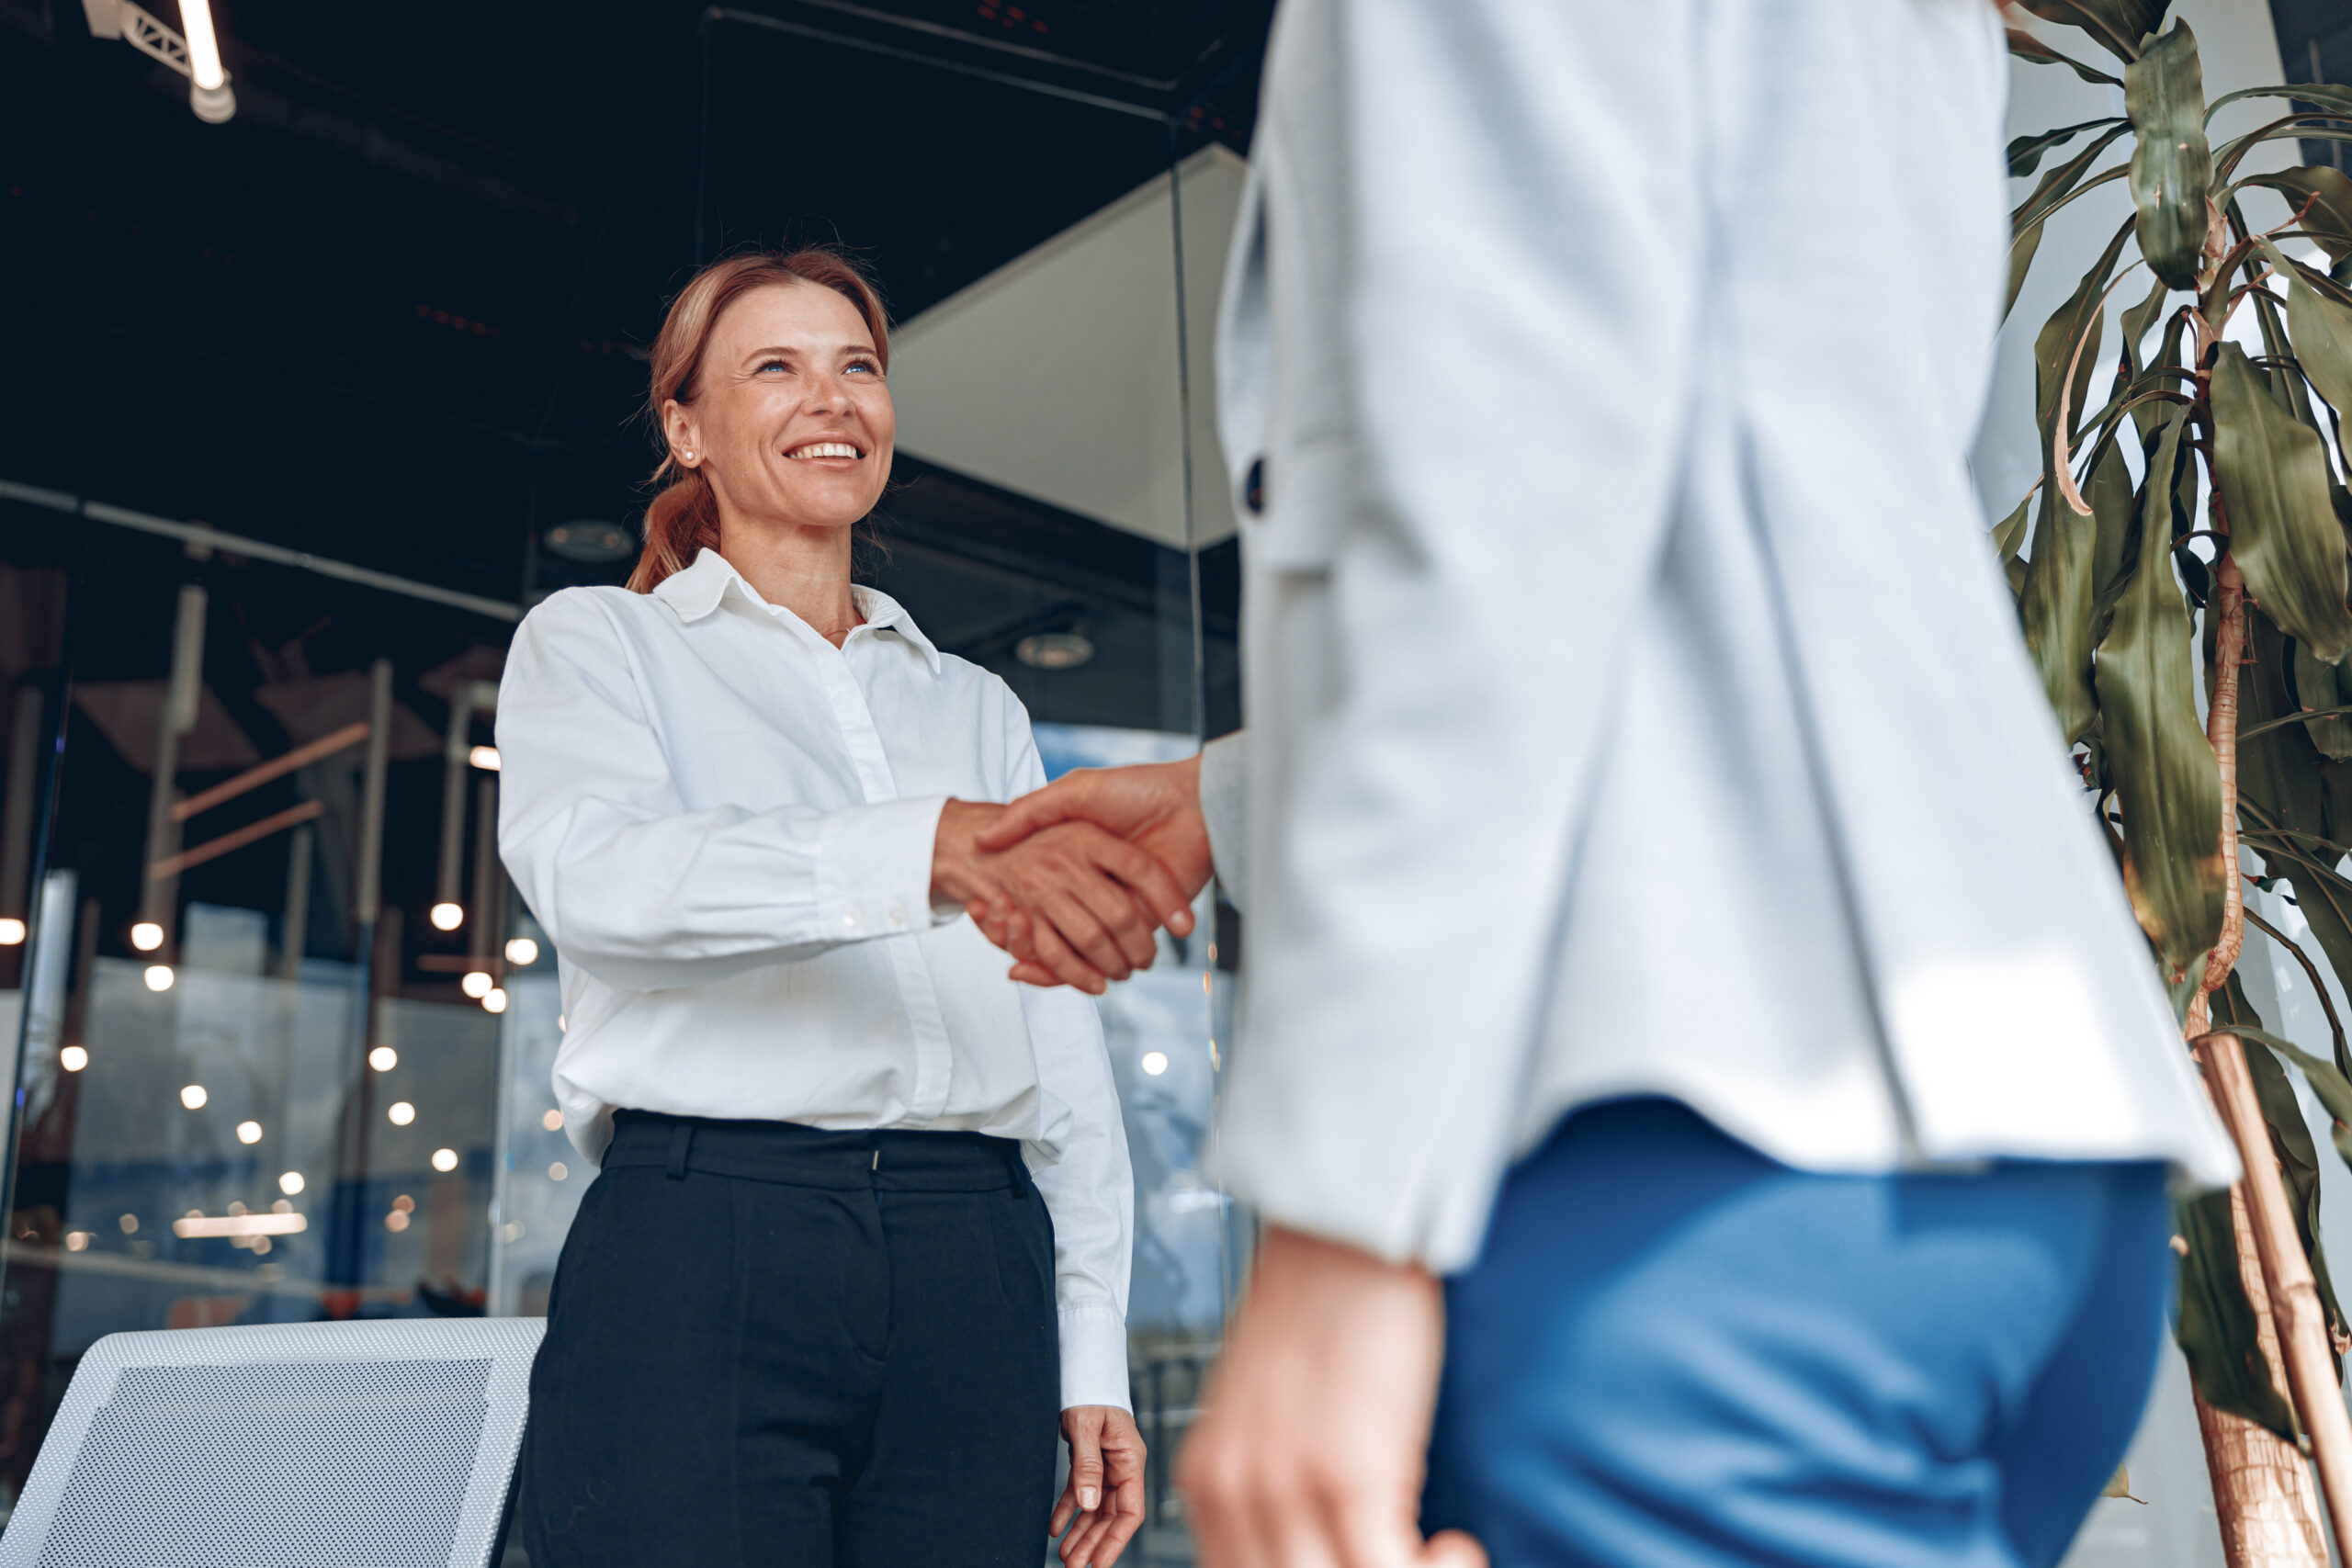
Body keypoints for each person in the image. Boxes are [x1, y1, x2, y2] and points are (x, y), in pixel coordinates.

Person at [969, 4, 2243, 1565]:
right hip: (2024, 1163)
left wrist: (1338, 1232)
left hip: (1683, 1174)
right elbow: (1747, 497)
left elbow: (1489, 480)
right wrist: (1229, 800)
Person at [497, 246, 1187, 1568]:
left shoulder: (974, 706)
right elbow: (605, 884)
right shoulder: (599, 645)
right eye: (777, 367)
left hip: (973, 1260)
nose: (834, 399)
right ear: (686, 427)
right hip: (709, 1240)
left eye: (858, 367)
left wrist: (1090, 1339)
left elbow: (1058, 1047)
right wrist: (926, 850)